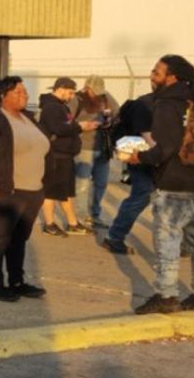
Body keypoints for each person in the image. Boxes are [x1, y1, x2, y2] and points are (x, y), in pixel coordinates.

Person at [128, 55, 194, 314]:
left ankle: (166, 296)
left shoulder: (167, 105)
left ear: (172, 77)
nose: (152, 74)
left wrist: (139, 157)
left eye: (157, 71)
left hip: (172, 183)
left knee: (167, 243)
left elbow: (164, 149)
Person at [0, 77, 51, 302]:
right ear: (2, 96)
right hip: (8, 191)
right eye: (18, 92)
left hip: (33, 191)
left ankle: (17, 282)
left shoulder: (29, 119)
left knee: (19, 240)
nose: (24, 95)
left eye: (25, 92)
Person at [36, 78, 99, 236]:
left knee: (67, 192)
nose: (71, 96)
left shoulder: (61, 107)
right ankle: (49, 224)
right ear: (61, 89)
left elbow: (65, 126)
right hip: (55, 156)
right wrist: (80, 127)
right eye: (70, 93)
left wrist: (79, 127)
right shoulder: (52, 107)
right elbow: (59, 128)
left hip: (65, 156)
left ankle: (72, 223)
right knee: (51, 191)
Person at [102, 83, 157, 255]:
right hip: (141, 159)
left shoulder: (150, 103)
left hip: (146, 158)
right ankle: (115, 236)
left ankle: (187, 243)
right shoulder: (147, 105)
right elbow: (145, 136)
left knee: (172, 199)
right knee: (142, 195)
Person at [72, 75, 119, 228]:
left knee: (101, 183)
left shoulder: (106, 97)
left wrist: (110, 121)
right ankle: (81, 216)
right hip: (84, 147)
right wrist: (82, 125)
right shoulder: (76, 99)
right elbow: (66, 120)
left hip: (103, 146)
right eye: (94, 91)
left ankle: (95, 215)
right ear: (86, 88)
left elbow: (117, 113)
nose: (97, 94)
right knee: (83, 183)